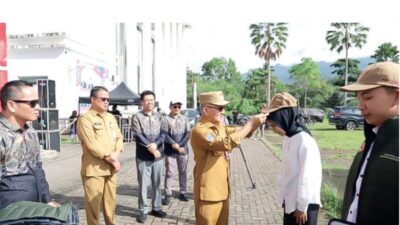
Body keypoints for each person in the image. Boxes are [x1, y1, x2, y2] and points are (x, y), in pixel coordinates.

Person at [190, 91, 266, 225]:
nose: (223, 111)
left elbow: (241, 132)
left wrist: (255, 122)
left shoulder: (220, 127)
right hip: (208, 193)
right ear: (206, 110)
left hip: (222, 190)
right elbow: (226, 143)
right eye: (219, 108)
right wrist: (250, 124)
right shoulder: (200, 131)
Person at [339, 61, 399, 225]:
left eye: (368, 97)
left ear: (396, 96)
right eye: (359, 99)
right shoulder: (371, 138)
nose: (360, 106)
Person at [265, 92, 322, 225]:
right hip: (291, 202)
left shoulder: (304, 140)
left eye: (274, 125)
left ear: (283, 118)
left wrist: (302, 207)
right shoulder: (289, 137)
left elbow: (308, 177)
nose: (273, 129)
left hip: (304, 206)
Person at [0, 80, 58, 209]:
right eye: (32, 103)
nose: (38, 107)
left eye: (38, 102)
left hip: (32, 209)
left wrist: (47, 199)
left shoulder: (30, 132)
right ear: (11, 105)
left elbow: (37, 167)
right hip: (8, 213)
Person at [77, 86, 123, 225]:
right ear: (92, 99)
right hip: (94, 170)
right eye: (103, 99)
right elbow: (92, 145)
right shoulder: (85, 119)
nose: (106, 102)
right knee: (93, 207)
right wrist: (112, 160)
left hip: (111, 169)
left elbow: (119, 138)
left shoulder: (110, 117)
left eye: (108, 99)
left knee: (110, 204)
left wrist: (115, 155)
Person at [131, 90, 167, 223]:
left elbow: (163, 133)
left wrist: (156, 145)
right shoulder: (137, 117)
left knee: (157, 183)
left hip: (158, 156)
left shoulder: (160, 116)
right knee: (143, 185)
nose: (150, 102)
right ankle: (142, 211)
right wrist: (151, 148)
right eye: (147, 100)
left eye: (152, 100)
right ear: (142, 102)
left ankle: (156, 207)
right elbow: (138, 135)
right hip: (143, 156)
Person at [161, 100, 190, 205]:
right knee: (169, 173)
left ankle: (183, 192)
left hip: (183, 150)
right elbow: (164, 134)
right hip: (170, 151)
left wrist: (180, 146)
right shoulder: (165, 119)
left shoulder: (185, 119)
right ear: (170, 107)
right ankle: (168, 194)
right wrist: (174, 144)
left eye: (178, 106)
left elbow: (187, 134)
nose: (177, 108)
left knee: (183, 171)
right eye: (174, 106)